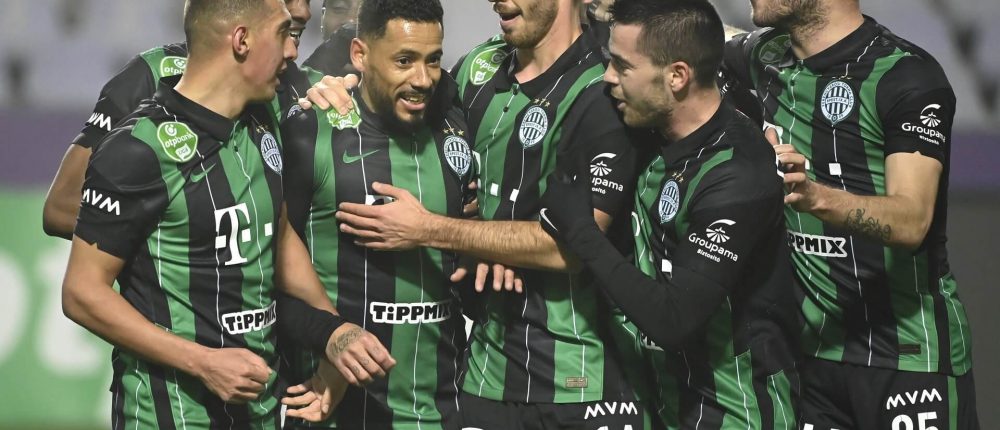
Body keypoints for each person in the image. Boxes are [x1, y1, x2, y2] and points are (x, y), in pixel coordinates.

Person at [310, 0, 655, 428]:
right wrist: (336, 89)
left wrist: (435, 230)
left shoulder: (604, 88)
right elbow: (394, 104)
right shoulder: (479, 66)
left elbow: (574, 247)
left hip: (582, 379)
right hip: (482, 374)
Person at [60, 0, 394, 427]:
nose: (293, 51)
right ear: (241, 41)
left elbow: (279, 235)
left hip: (261, 408)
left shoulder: (261, 123)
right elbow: (82, 292)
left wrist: (334, 331)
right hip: (173, 413)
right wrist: (203, 362)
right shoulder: (138, 149)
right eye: (282, 34)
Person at [539, 0, 801, 428]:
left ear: (677, 76)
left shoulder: (739, 173)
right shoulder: (652, 129)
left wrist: (582, 233)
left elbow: (674, 319)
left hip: (736, 411)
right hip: (664, 403)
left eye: (623, 66)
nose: (608, 77)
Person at [723, 0, 980, 428]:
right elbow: (702, 35)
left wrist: (813, 196)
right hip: (813, 362)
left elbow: (912, 220)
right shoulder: (766, 55)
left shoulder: (905, 75)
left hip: (908, 362)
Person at [280, 0, 474, 428]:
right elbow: (266, 277)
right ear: (360, 55)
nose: (422, 79)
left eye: (433, 60)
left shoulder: (456, 127)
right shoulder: (310, 130)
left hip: (440, 411)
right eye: (404, 61)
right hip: (328, 409)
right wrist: (329, 335)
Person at [42, 0, 313, 240]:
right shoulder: (155, 73)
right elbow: (61, 206)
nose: (303, 11)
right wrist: (180, 248)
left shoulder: (304, 90)